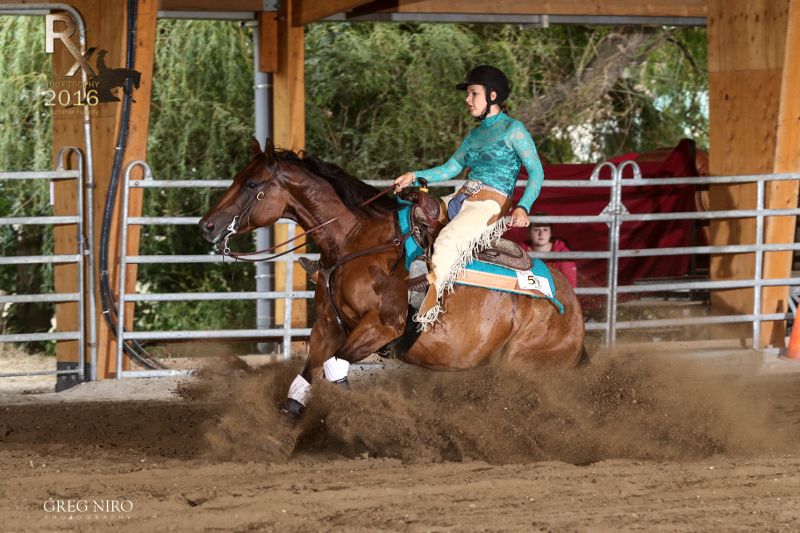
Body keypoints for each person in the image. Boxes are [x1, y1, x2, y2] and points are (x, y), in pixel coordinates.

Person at [394, 65, 545, 327]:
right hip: (461, 197)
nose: (467, 100)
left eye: (473, 93)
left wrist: (523, 207)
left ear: (493, 96)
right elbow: (450, 169)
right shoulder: (474, 135)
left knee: (448, 240)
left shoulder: (514, 129)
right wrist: (413, 176)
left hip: (490, 204)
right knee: (409, 214)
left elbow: (536, 171)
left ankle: (426, 312)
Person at [523, 214, 578, 288]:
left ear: (551, 233)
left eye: (545, 229)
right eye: (536, 230)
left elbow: (570, 287)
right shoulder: (520, 252)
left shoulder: (563, 254)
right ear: (529, 233)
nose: (541, 234)